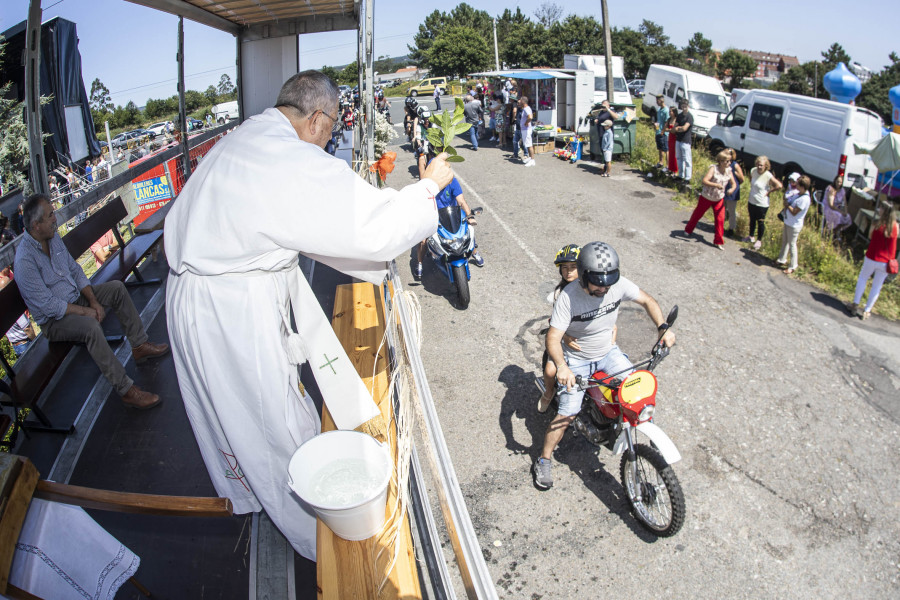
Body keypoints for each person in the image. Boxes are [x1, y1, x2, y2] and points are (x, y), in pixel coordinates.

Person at [163, 70, 454, 561]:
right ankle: (319, 538)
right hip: (230, 315)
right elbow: (366, 225)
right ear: (317, 117)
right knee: (270, 424)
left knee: (238, 418)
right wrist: (426, 190)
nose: (331, 137)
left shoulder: (248, 138)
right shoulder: (284, 156)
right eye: (333, 125)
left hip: (201, 299)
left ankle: (264, 497)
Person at [533, 241, 675, 489]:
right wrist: (563, 366)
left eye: (608, 282)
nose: (604, 288)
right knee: (567, 412)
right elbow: (553, 338)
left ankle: (644, 434)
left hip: (608, 353)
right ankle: (544, 459)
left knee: (636, 392)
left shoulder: (615, 285)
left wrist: (663, 328)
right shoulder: (568, 298)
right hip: (576, 360)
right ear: (584, 276)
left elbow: (648, 300)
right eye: (598, 283)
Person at [14, 194, 169, 409]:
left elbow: (75, 270)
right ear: (36, 225)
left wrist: (93, 301)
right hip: (55, 320)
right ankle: (126, 389)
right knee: (90, 327)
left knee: (116, 289)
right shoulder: (24, 261)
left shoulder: (52, 237)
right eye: (50, 216)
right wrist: (85, 312)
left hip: (75, 299)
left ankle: (140, 344)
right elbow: (47, 305)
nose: (55, 219)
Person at [414, 161, 483, 278]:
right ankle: (419, 263)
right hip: (434, 215)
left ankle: (474, 253)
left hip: (452, 214)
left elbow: (461, 201)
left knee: (467, 230)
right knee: (423, 241)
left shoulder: (452, 182)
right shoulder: (427, 186)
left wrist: (470, 216)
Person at [537, 244, 581, 413]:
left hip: (586, 338)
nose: (569, 272)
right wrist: (566, 337)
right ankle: (548, 392)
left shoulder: (592, 288)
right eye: (565, 268)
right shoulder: (560, 293)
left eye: (573, 267)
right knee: (549, 371)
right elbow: (556, 323)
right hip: (564, 337)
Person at [848, 200, 898, 320]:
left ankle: (855, 305)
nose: (878, 209)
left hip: (872, 257)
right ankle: (867, 310)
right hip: (886, 262)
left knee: (863, 278)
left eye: (880, 208)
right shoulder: (896, 227)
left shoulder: (877, 224)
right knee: (877, 286)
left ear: (884, 211)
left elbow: (870, 236)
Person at [684, 150, 737, 249]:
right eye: (727, 161)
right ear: (720, 161)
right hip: (706, 197)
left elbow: (734, 183)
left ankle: (718, 241)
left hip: (719, 199)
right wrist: (716, 185)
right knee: (697, 214)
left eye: (730, 161)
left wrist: (732, 189)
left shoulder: (729, 170)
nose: (729, 163)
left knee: (720, 219)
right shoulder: (713, 169)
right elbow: (705, 181)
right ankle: (688, 229)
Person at [744, 156, 783, 250]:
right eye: (758, 164)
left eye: (761, 165)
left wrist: (769, 192)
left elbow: (779, 185)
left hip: (762, 202)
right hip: (752, 199)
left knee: (760, 221)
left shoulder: (768, 175)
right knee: (752, 219)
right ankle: (751, 236)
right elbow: (751, 179)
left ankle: (759, 240)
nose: (759, 167)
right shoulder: (753, 170)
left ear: (766, 166)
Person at [776, 174, 812, 274]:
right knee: (785, 241)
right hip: (789, 222)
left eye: (798, 184)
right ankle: (781, 259)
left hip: (795, 225)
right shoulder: (798, 194)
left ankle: (792, 266)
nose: (796, 185)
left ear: (803, 186)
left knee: (792, 244)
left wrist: (787, 206)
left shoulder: (804, 199)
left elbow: (795, 211)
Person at [723, 148, 744, 238]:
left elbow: (742, 179)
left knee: (732, 211)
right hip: (723, 188)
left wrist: (736, 174)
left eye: (730, 154)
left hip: (732, 190)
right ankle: (720, 226)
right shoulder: (723, 163)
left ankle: (731, 229)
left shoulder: (735, 165)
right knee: (722, 209)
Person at [673, 99, 693, 181]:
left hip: (686, 140)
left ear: (688, 106)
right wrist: (678, 128)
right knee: (679, 158)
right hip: (678, 139)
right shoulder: (680, 116)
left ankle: (687, 178)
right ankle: (681, 175)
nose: (684, 108)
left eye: (685, 106)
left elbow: (685, 128)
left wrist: (678, 128)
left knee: (687, 160)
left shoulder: (689, 117)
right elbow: (674, 127)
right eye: (683, 106)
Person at [518, 95, 535, 167]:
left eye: (520, 100)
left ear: (523, 101)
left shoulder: (526, 109)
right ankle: (530, 158)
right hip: (525, 130)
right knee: (527, 144)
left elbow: (530, 117)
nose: (519, 102)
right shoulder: (525, 108)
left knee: (529, 145)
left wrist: (526, 123)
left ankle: (532, 160)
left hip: (526, 130)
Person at [654, 95, 669, 170]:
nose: (657, 102)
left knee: (665, 149)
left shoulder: (666, 110)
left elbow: (667, 122)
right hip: (658, 131)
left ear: (662, 100)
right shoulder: (659, 109)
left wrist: (663, 131)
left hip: (664, 133)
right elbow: (658, 120)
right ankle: (661, 162)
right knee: (660, 148)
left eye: (658, 101)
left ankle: (668, 165)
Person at [666, 108, 679, 175]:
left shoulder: (677, 120)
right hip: (670, 137)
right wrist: (669, 130)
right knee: (670, 153)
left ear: (674, 112)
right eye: (669, 111)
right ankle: (670, 168)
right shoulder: (669, 119)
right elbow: (666, 128)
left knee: (675, 154)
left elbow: (676, 129)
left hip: (675, 138)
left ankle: (675, 170)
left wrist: (671, 129)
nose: (670, 112)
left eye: (671, 111)